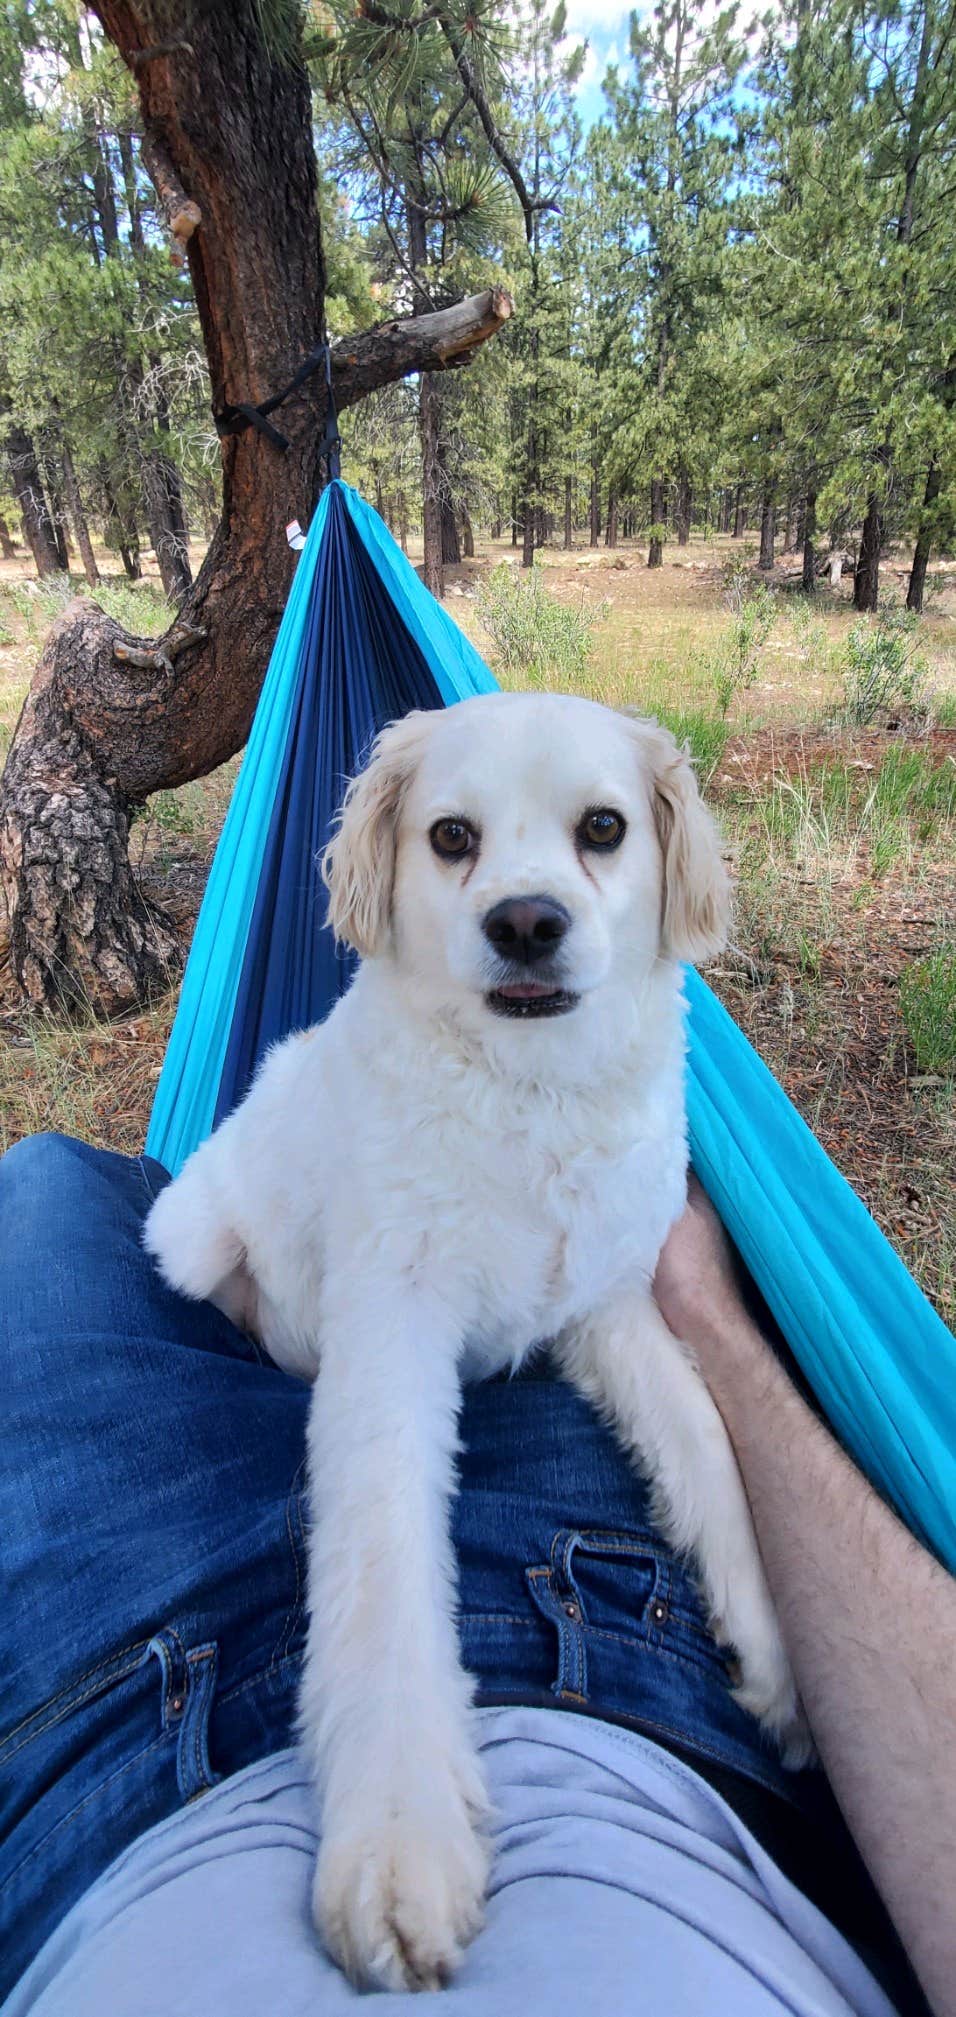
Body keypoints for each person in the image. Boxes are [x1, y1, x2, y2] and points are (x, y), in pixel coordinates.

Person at [0, 1134, 952, 2016]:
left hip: (121, 1714)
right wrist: (705, 1310)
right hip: (581, 1608)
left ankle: (292, 1281)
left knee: (51, 1184)